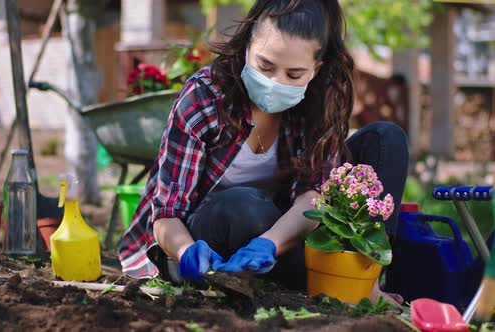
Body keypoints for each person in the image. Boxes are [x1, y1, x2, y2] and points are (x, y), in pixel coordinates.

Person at [117, 0, 408, 303]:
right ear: (246, 48)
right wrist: (186, 252)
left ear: (316, 69)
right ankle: (286, 279)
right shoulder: (205, 98)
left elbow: (314, 197)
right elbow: (166, 216)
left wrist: (269, 243)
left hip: (281, 238)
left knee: (385, 139)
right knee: (243, 207)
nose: (274, 83)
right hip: (209, 238)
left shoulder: (319, 102)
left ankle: (362, 284)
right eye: (265, 66)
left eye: (294, 75)